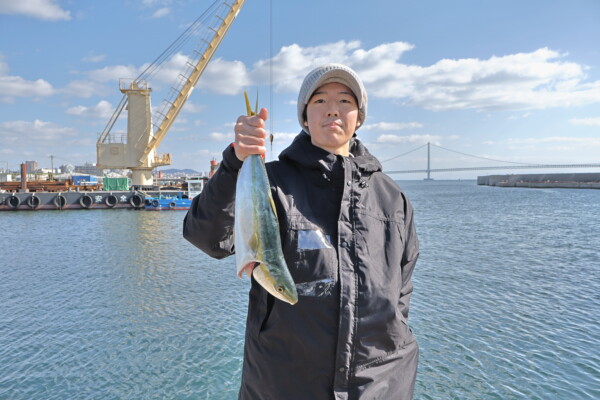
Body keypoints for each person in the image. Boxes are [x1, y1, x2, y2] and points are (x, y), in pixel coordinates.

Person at [183, 63, 419, 399]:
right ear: (305, 118)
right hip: (283, 384)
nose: (332, 110)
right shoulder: (274, 182)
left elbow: (403, 283)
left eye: (345, 101)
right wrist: (236, 161)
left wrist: (396, 337)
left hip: (381, 385)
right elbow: (207, 237)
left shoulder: (392, 197)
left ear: (360, 117)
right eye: (319, 100)